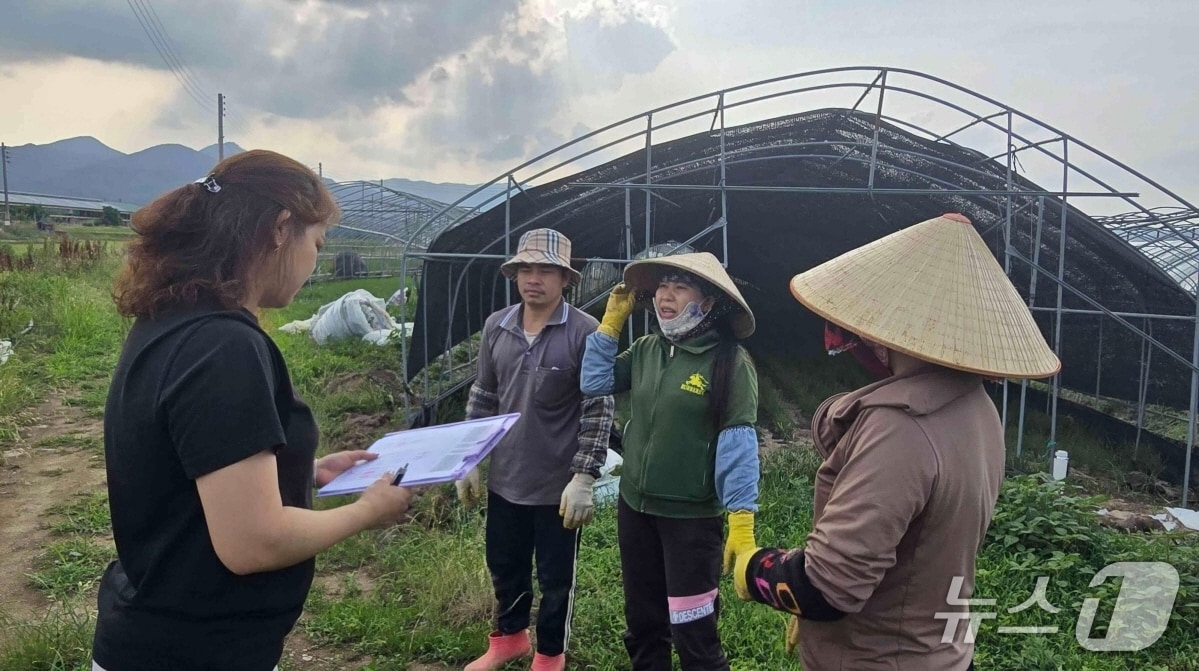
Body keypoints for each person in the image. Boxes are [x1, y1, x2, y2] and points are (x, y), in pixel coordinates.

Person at [92, 150, 413, 671]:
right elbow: (252, 543)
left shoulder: (175, 322)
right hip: (196, 653)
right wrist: (365, 512)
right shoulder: (223, 346)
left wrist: (301, 472)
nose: (315, 263)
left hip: (157, 635)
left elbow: (188, 467)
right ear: (281, 229)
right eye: (318, 243)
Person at [734, 213, 1061, 671]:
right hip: (935, 650)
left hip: (877, 658)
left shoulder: (901, 428)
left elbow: (826, 588)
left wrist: (757, 570)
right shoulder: (976, 407)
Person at [581, 251, 761, 671]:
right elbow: (594, 381)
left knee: (693, 631)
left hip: (691, 524)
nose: (666, 295)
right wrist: (610, 326)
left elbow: (738, 444)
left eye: (680, 287)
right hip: (635, 511)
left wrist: (741, 522)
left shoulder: (729, 363)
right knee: (644, 622)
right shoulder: (646, 350)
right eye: (662, 285)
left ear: (709, 303)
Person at [456, 228, 615, 671]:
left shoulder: (587, 333)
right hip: (506, 476)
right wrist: (469, 458)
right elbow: (484, 394)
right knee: (504, 563)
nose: (534, 278)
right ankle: (508, 638)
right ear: (515, 275)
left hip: (557, 486)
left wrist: (583, 476)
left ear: (566, 279)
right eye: (526, 268)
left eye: (546, 270)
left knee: (555, 578)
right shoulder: (497, 326)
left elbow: (598, 410)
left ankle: (549, 654)